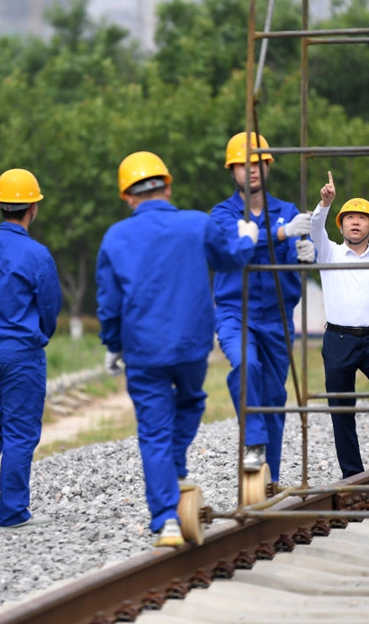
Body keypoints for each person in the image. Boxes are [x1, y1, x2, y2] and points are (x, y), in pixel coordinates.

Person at [96, 150, 258, 547]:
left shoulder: (115, 237)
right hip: (190, 346)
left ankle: (166, 521)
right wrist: (249, 237)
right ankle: (177, 467)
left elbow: (109, 303)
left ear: (127, 196)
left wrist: (113, 346)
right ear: (168, 187)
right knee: (191, 402)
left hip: (142, 350)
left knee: (152, 431)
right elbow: (231, 257)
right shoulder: (196, 224)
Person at [0, 168, 63, 530]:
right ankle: (13, 512)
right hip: (20, 355)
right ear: (33, 207)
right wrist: (41, 335)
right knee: (19, 432)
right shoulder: (37, 255)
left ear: (0, 205)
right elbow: (50, 307)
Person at [210, 131, 315, 483]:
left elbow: (296, 261)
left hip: (278, 318)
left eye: (258, 163)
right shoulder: (222, 214)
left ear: (267, 166)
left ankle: (269, 479)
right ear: (232, 172)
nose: (251, 170)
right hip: (234, 312)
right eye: (242, 165)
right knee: (244, 364)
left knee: (273, 398)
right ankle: (252, 442)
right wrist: (282, 235)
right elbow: (237, 244)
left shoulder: (288, 212)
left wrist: (306, 256)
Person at [309, 176, 369, 479]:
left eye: (362, 219)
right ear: (341, 226)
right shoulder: (328, 253)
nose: (355, 223)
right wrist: (325, 204)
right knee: (342, 408)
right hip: (337, 339)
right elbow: (315, 229)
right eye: (349, 218)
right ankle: (353, 473)